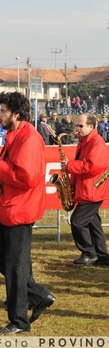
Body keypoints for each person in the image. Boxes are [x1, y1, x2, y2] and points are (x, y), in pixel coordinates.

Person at [0, 92, 55, 335]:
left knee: (15, 265)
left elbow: (27, 177)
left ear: (16, 113)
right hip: (8, 204)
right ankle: (37, 294)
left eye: (2, 110)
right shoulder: (15, 135)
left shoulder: (29, 138)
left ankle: (19, 322)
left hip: (20, 207)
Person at [61, 113, 109, 265]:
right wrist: (72, 184)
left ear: (91, 127)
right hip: (87, 189)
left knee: (77, 222)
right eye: (77, 125)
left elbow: (92, 167)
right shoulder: (84, 141)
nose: (77, 128)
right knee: (93, 224)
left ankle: (89, 252)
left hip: (92, 191)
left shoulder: (96, 142)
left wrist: (69, 165)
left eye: (81, 126)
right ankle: (102, 256)